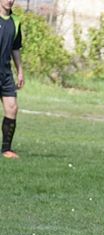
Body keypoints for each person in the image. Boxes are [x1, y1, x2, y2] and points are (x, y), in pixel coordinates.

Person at [0, 0, 24, 159]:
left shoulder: (16, 21)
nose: (10, 0)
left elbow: (15, 48)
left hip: (6, 73)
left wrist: (20, 71)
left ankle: (6, 149)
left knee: (12, 107)